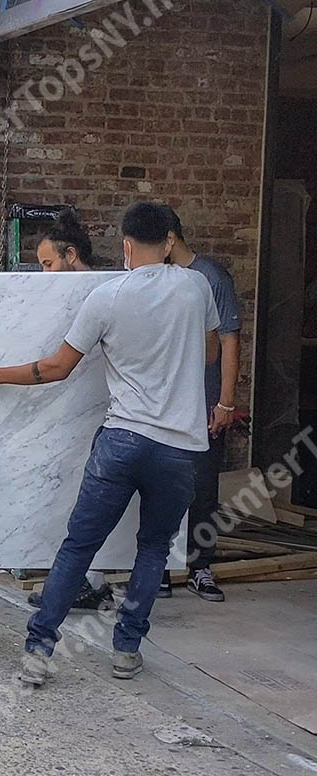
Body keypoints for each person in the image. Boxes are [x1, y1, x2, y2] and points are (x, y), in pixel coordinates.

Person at [0, 202, 219, 686]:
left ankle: (38, 651)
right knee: (152, 549)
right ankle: (126, 650)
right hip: (178, 449)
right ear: (169, 242)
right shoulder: (197, 286)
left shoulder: (107, 297)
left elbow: (57, 368)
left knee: (78, 546)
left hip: (122, 440)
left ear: (125, 246)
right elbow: (209, 352)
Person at [28, 209, 114, 612]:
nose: (44, 273)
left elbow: (59, 366)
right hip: (79, 417)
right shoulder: (91, 294)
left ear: (71, 254)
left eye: (48, 263)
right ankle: (88, 581)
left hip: (104, 418)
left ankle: (83, 584)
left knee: (87, 511)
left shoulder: (102, 295)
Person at [163, 206, 242, 602]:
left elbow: (230, 341)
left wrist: (225, 402)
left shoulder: (211, 277)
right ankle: (159, 566)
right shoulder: (155, 279)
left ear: (170, 239)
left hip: (205, 399)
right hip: (165, 402)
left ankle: (200, 566)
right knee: (160, 482)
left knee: (204, 485)